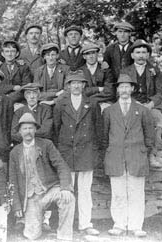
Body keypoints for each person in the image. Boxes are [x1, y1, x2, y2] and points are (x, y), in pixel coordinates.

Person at [102, 74, 155, 237]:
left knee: (136, 192)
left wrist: (143, 152)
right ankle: (119, 224)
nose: (124, 90)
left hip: (136, 157)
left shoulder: (143, 111)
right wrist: (109, 153)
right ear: (117, 90)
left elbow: (149, 136)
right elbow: (104, 137)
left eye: (127, 87)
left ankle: (135, 225)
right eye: (121, 87)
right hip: (116, 157)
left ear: (132, 89)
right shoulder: (109, 111)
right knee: (118, 192)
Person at [9, 112, 75, 241]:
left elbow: (62, 166)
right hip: (31, 197)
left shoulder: (46, 145)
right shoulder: (15, 152)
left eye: (30, 128)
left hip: (50, 189)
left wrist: (65, 187)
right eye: (25, 128)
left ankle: (64, 236)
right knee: (31, 235)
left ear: (35, 130)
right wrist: (16, 206)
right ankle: (38, 223)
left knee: (68, 198)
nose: (28, 131)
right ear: (20, 132)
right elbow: (13, 181)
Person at [53, 70, 102, 236]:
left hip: (86, 151)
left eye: (79, 83)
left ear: (83, 85)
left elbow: (98, 129)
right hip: (67, 151)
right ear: (68, 86)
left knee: (85, 190)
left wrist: (95, 151)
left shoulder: (92, 104)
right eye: (72, 83)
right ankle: (66, 223)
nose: (76, 86)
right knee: (67, 188)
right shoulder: (61, 104)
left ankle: (85, 223)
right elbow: (56, 128)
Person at [121, 39, 162, 156]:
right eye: (138, 52)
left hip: (150, 104)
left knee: (157, 117)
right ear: (132, 55)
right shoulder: (125, 71)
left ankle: (154, 153)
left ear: (148, 54)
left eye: (144, 52)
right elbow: (121, 93)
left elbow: (160, 93)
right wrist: (134, 104)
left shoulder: (154, 70)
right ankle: (132, 153)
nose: (141, 55)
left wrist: (150, 104)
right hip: (131, 104)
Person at [79, 43, 115, 108]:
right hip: (84, 103)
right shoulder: (80, 72)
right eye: (87, 54)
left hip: (103, 102)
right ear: (84, 57)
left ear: (97, 54)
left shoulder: (106, 70)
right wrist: (98, 89)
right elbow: (80, 91)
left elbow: (110, 91)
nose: (91, 56)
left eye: (93, 53)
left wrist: (92, 99)